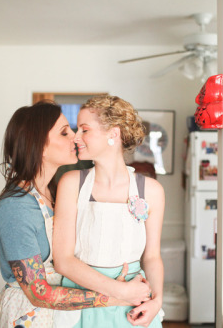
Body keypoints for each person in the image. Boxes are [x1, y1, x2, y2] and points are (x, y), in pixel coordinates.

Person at [0, 100, 150, 327]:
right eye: (65, 133)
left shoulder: (53, 193)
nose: (76, 137)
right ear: (40, 147)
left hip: (59, 317)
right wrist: (119, 296)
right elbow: (39, 294)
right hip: (29, 316)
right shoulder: (15, 209)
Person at [53, 95, 165, 327]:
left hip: (134, 306)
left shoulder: (151, 190)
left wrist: (157, 301)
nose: (76, 137)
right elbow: (63, 261)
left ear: (113, 134)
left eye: (84, 130)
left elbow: (152, 257)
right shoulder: (72, 183)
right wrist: (121, 291)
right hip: (84, 301)